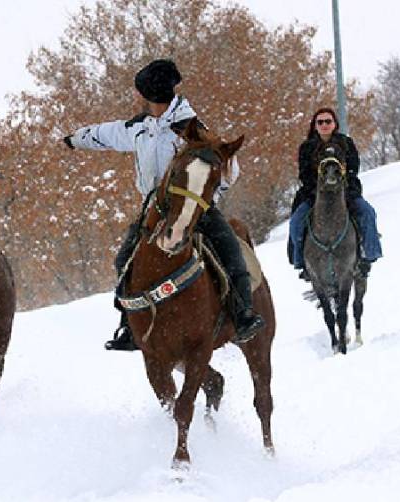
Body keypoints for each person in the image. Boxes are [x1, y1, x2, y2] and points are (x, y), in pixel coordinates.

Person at [63, 59, 265, 350]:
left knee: (229, 248)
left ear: (148, 92)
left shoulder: (191, 128)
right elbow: (107, 134)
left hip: (194, 207)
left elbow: (229, 171)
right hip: (154, 208)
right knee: (124, 260)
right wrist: (75, 139)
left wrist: (208, 193)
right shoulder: (141, 127)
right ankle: (130, 326)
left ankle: (243, 313)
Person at [288, 107, 382, 279]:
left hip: (345, 192)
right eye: (320, 122)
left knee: (368, 212)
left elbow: (353, 169)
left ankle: (369, 253)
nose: (324, 125)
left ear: (334, 124)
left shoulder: (346, 143)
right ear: (315, 125)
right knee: (296, 222)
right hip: (314, 195)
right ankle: (302, 261)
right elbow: (304, 174)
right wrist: (316, 192)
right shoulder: (307, 147)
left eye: (328, 121)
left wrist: (346, 190)